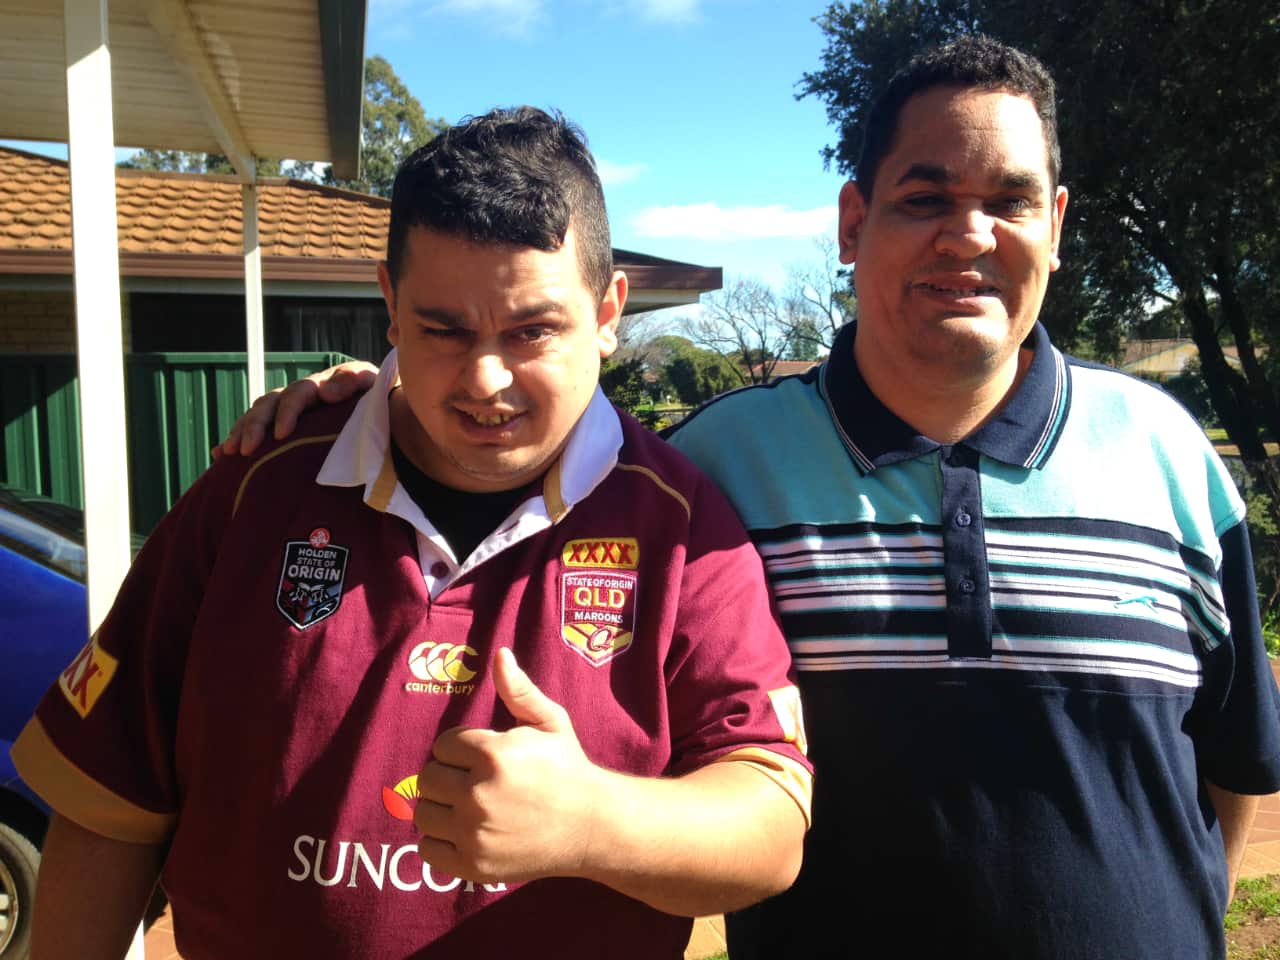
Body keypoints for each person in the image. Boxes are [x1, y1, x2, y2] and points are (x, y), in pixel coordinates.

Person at [217, 38, 1280, 959]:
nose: (967, 234)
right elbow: (520, 471)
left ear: (1053, 224)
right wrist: (374, 397)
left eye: (1006, 200)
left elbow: (1231, 776)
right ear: (852, 221)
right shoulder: (714, 470)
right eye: (923, 198)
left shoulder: (1169, 457)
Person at [12, 107, 812, 960]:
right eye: (444, 329)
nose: (485, 378)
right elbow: (107, 802)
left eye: (532, 330)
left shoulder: (681, 526)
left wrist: (591, 822)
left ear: (610, 310)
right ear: (389, 304)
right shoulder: (257, 486)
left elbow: (768, 825)